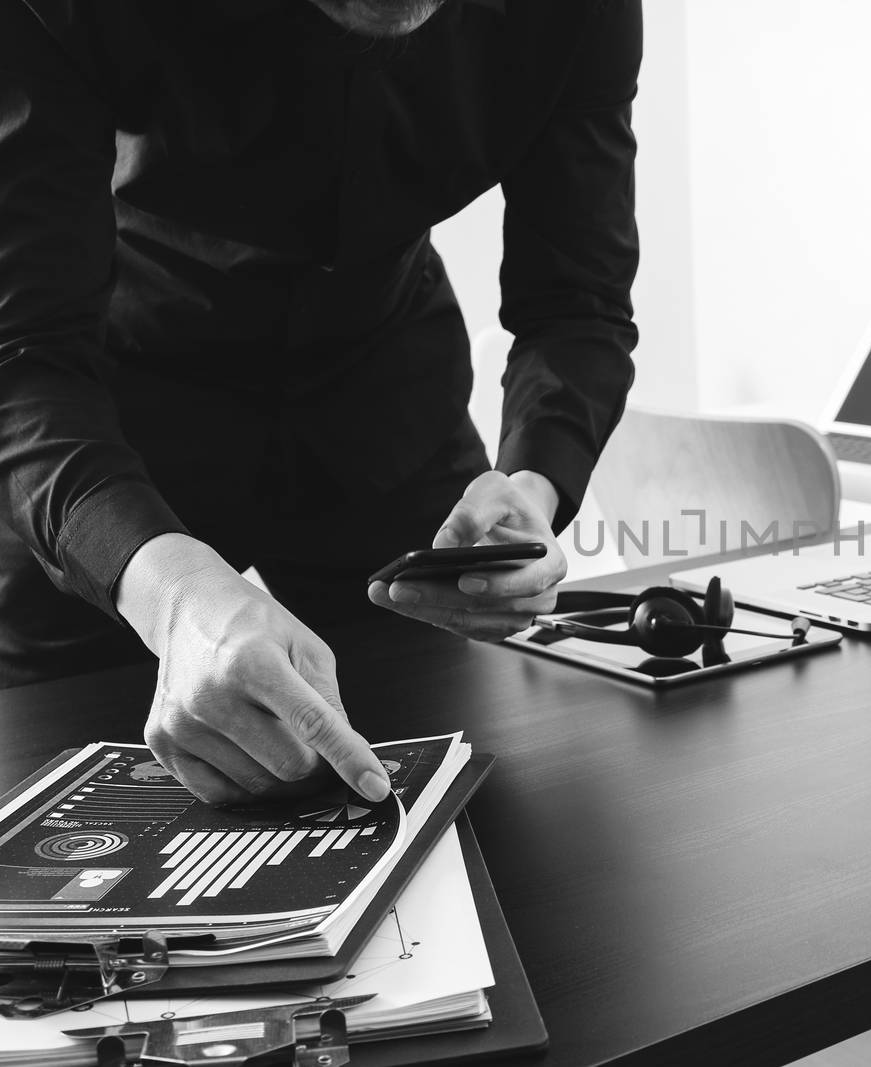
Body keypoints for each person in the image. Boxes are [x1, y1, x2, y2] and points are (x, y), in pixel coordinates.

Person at [0, 0, 641, 804]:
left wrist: (531, 488)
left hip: (388, 412)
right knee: (64, 843)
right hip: (110, 434)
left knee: (466, 813)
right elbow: (21, 353)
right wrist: (166, 593)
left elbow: (578, 301)